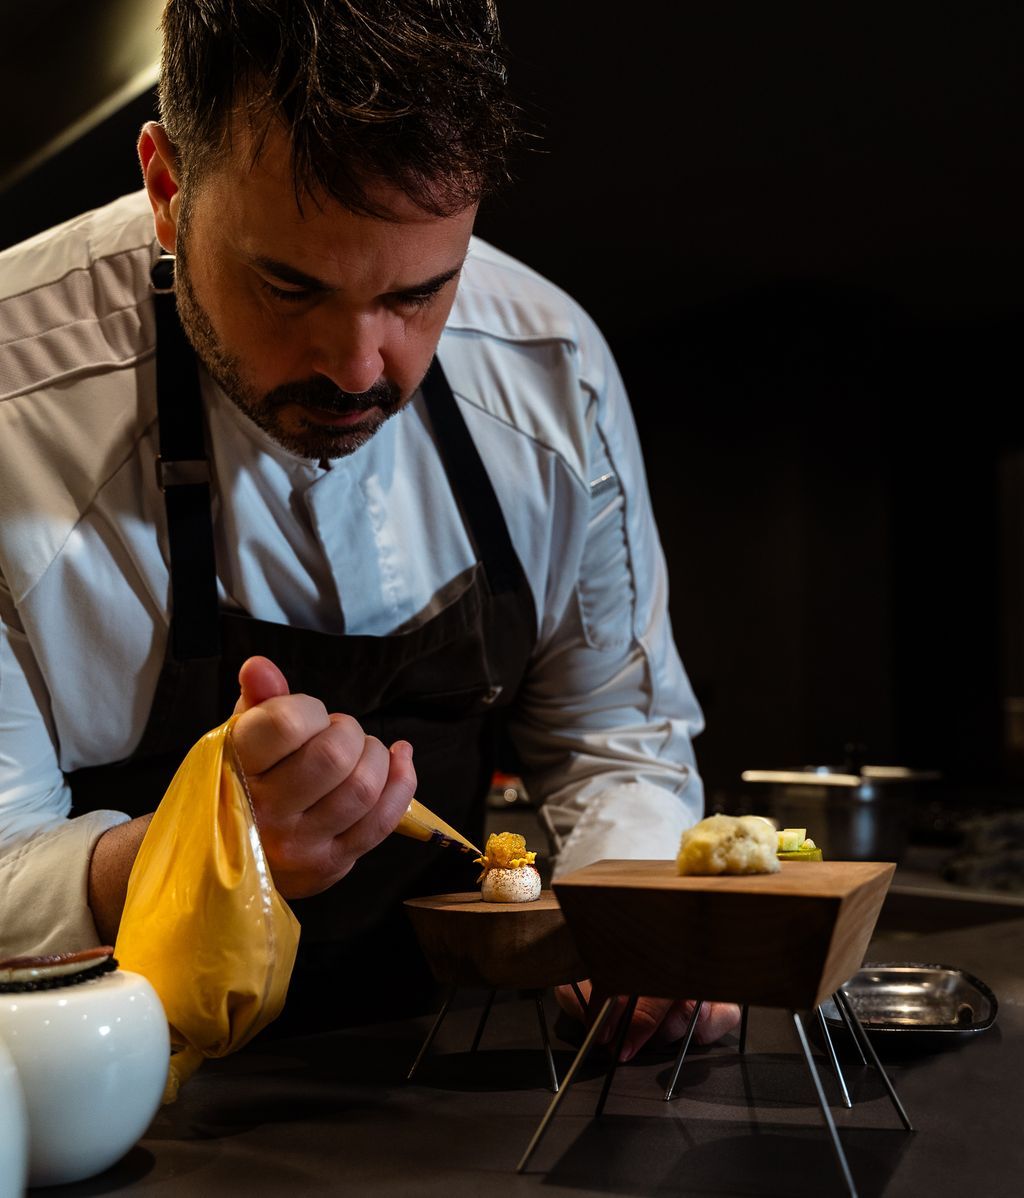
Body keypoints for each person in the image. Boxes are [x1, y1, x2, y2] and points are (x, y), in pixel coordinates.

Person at [0, 0, 736, 1057]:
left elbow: (615, 737)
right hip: (113, 1087)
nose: (358, 368)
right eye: (287, 285)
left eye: (419, 293)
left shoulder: (550, 369)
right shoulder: (13, 397)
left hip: (462, 1069)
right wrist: (205, 852)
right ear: (167, 190)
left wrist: (638, 939)